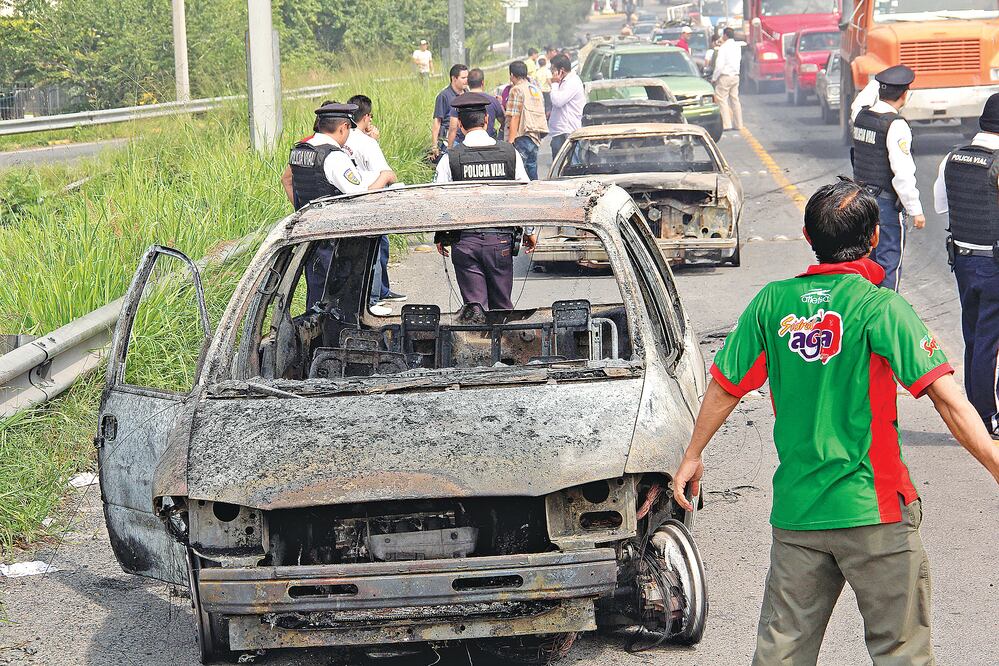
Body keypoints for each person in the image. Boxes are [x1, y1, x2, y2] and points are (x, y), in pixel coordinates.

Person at [673, 177, 999, 665]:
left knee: (781, 655)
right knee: (901, 653)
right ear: (873, 238)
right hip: (876, 512)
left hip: (799, 515)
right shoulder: (879, 308)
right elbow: (948, 401)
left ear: (808, 238)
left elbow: (725, 386)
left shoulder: (771, 303)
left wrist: (692, 455)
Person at [281, 102, 395, 311]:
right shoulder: (333, 156)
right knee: (337, 302)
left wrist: (303, 210)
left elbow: (286, 180)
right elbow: (361, 194)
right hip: (333, 241)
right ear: (343, 127)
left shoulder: (300, 150)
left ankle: (314, 338)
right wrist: (385, 176)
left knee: (316, 294)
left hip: (310, 235)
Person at [933, 93, 999, 439]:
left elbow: (941, 206)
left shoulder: (953, 157)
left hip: (963, 260)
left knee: (976, 338)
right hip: (994, 263)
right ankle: (988, 417)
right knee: (990, 341)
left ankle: (978, 412)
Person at [434, 92, 532, 311]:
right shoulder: (510, 153)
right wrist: (530, 231)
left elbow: (439, 201)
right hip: (500, 242)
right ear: (487, 119)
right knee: (502, 308)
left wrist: (441, 235)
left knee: (475, 309)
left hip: (464, 241)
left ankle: (477, 344)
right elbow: (525, 195)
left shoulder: (449, 158)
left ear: (459, 124)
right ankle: (506, 342)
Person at [850, 65, 924, 291]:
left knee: (865, 262)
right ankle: (885, 315)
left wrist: (878, 81)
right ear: (905, 94)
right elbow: (902, 172)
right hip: (884, 205)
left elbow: (859, 101)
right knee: (889, 262)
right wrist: (915, 210)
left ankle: (865, 312)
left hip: (859, 200)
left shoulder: (860, 115)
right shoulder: (896, 124)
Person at [344, 94, 406, 311]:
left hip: (347, 200)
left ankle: (380, 290)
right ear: (367, 116)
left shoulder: (341, 140)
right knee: (377, 249)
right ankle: (374, 298)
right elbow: (387, 173)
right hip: (372, 200)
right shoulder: (366, 142)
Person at [505, 60, 548, 180]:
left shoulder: (516, 90)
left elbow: (514, 117)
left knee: (519, 171)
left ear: (512, 75)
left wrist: (510, 142)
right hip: (535, 136)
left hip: (521, 137)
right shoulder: (535, 89)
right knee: (532, 168)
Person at [446, 67, 504, 148]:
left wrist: (450, 148)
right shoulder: (493, 101)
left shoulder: (459, 102)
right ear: (482, 83)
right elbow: (503, 121)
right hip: (488, 146)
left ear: (468, 83)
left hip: (464, 146)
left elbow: (453, 128)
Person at [548, 53, 585, 160]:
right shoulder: (563, 81)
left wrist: (554, 84)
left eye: (553, 70)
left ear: (561, 70)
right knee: (559, 169)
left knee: (572, 167)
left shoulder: (572, 82)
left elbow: (558, 101)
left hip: (568, 132)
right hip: (560, 131)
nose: (552, 73)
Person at [431, 64, 468, 162]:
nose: (466, 80)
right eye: (463, 78)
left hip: (465, 139)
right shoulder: (443, 96)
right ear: (454, 78)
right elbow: (437, 122)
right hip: (449, 140)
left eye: (467, 77)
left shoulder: (467, 94)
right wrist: (434, 146)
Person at [712, 27, 743, 132]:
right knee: (735, 100)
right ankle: (738, 124)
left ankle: (726, 124)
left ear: (725, 35)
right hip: (735, 75)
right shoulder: (737, 47)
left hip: (725, 76)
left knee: (722, 99)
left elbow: (719, 65)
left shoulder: (724, 48)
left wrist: (714, 78)